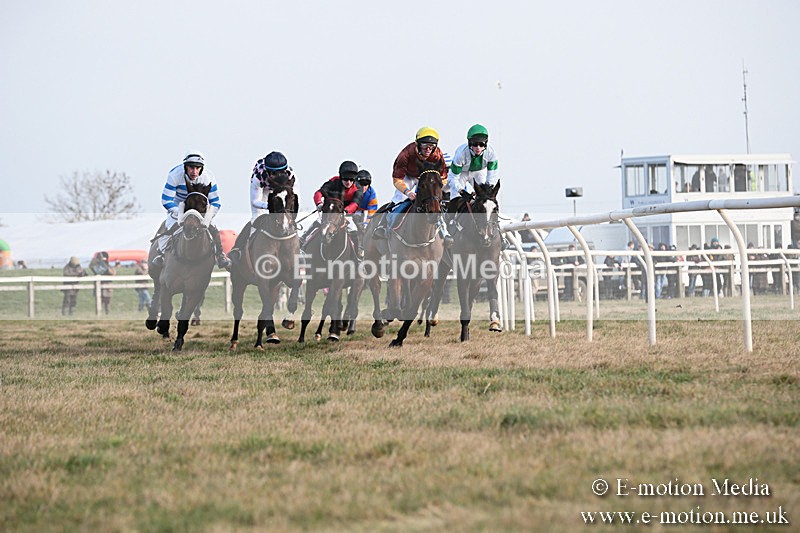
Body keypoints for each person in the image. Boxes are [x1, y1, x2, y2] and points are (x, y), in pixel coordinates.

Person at [151, 151, 230, 268]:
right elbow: (166, 200)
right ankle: (161, 254)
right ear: (185, 167)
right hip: (180, 205)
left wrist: (207, 216)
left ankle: (220, 255)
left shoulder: (208, 178)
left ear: (201, 169)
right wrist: (181, 214)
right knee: (169, 225)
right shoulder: (175, 175)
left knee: (213, 227)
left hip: (199, 207)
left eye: (197, 168)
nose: (194, 171)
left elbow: (216, 203)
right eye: (191, 167)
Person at [373, 126, 449, 239]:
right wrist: (408, 192)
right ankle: (382, 226)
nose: (428, 149)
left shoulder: (437, 154)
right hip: (409, 176)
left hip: (427, 177)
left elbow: (443, 176)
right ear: (417, 144)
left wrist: (437, 190)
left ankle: (445, 232)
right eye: (424, 145)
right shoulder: (406, 154)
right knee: (399, 198)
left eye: (432, 146)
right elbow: (397, 179)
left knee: (436, 201)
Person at [229, 151, 296, 264]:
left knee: (288, 218)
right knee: (256, 218)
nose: (278, 175)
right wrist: (271, 206)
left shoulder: (290, 175)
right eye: (275, 173)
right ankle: (239, 249)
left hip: (281, 190)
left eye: (281, 172)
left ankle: (298, 248)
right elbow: (255, 202)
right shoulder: (258, 177)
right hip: (263, 191)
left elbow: (295, 196)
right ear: (268, 171)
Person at [445, 124, 500, 232]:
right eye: (475, 144)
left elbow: (492, 178)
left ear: (486, 144)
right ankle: (449, 225)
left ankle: (496, 229)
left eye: (481, 144)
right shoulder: (461, 153)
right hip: (462, 173)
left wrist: (486, 191)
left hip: (478, 173)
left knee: (489, 199)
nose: (478, 148)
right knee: (455, 199)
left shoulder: (491, 153)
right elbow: (452, 178)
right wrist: (461, 191)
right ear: (470, 143)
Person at [298, 161, 363, 250]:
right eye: (345, 179)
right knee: (317, 221)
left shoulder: (358, 188)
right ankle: (303, 240)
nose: (348, 182)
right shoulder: (333, 181)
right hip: (330, 213)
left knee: (353, 229)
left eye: (351, 180)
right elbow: (319, 193)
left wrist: (345, 211)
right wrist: (319, 203)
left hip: (346, 214)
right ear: (341, 177)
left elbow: (355, 204)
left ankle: (357, 254)